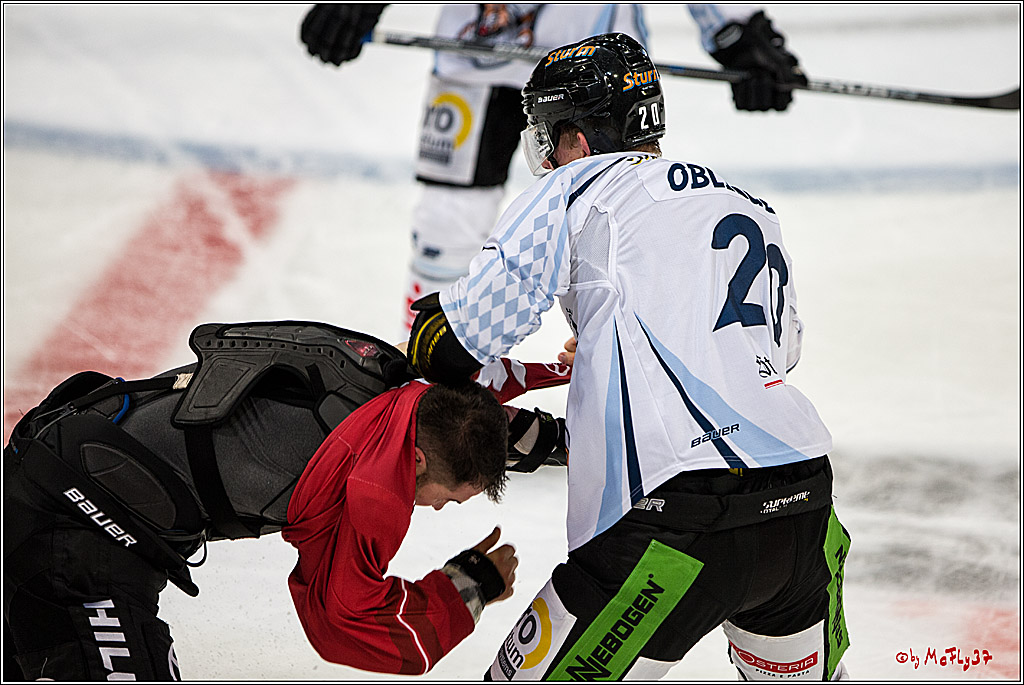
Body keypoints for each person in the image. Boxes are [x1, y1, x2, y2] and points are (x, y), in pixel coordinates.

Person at [405, 33, 851, 680]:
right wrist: (606, 344)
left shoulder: (576, 186)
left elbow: (454, 342)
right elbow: (775, 352)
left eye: (549, 137)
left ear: (577, 139)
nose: (547, 157)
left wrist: (419, 343)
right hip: (803, 505)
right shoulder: (747, 206)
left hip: (674, 526)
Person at [3, 320, 570, 680]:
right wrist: (471, 585)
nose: (439, 509)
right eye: (447, 499)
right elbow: (346, 619)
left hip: (56, 453)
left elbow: (478, 416)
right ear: (416, 462)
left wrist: (573, 438)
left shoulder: (393, 379)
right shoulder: (370, 485)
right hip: (74, 539)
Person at [298, 4, 808, 334]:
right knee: (445, 224)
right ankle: (430, 386)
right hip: (472, 61)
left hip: (595, 73)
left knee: (617, 221)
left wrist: (738, 33)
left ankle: (639, 368)